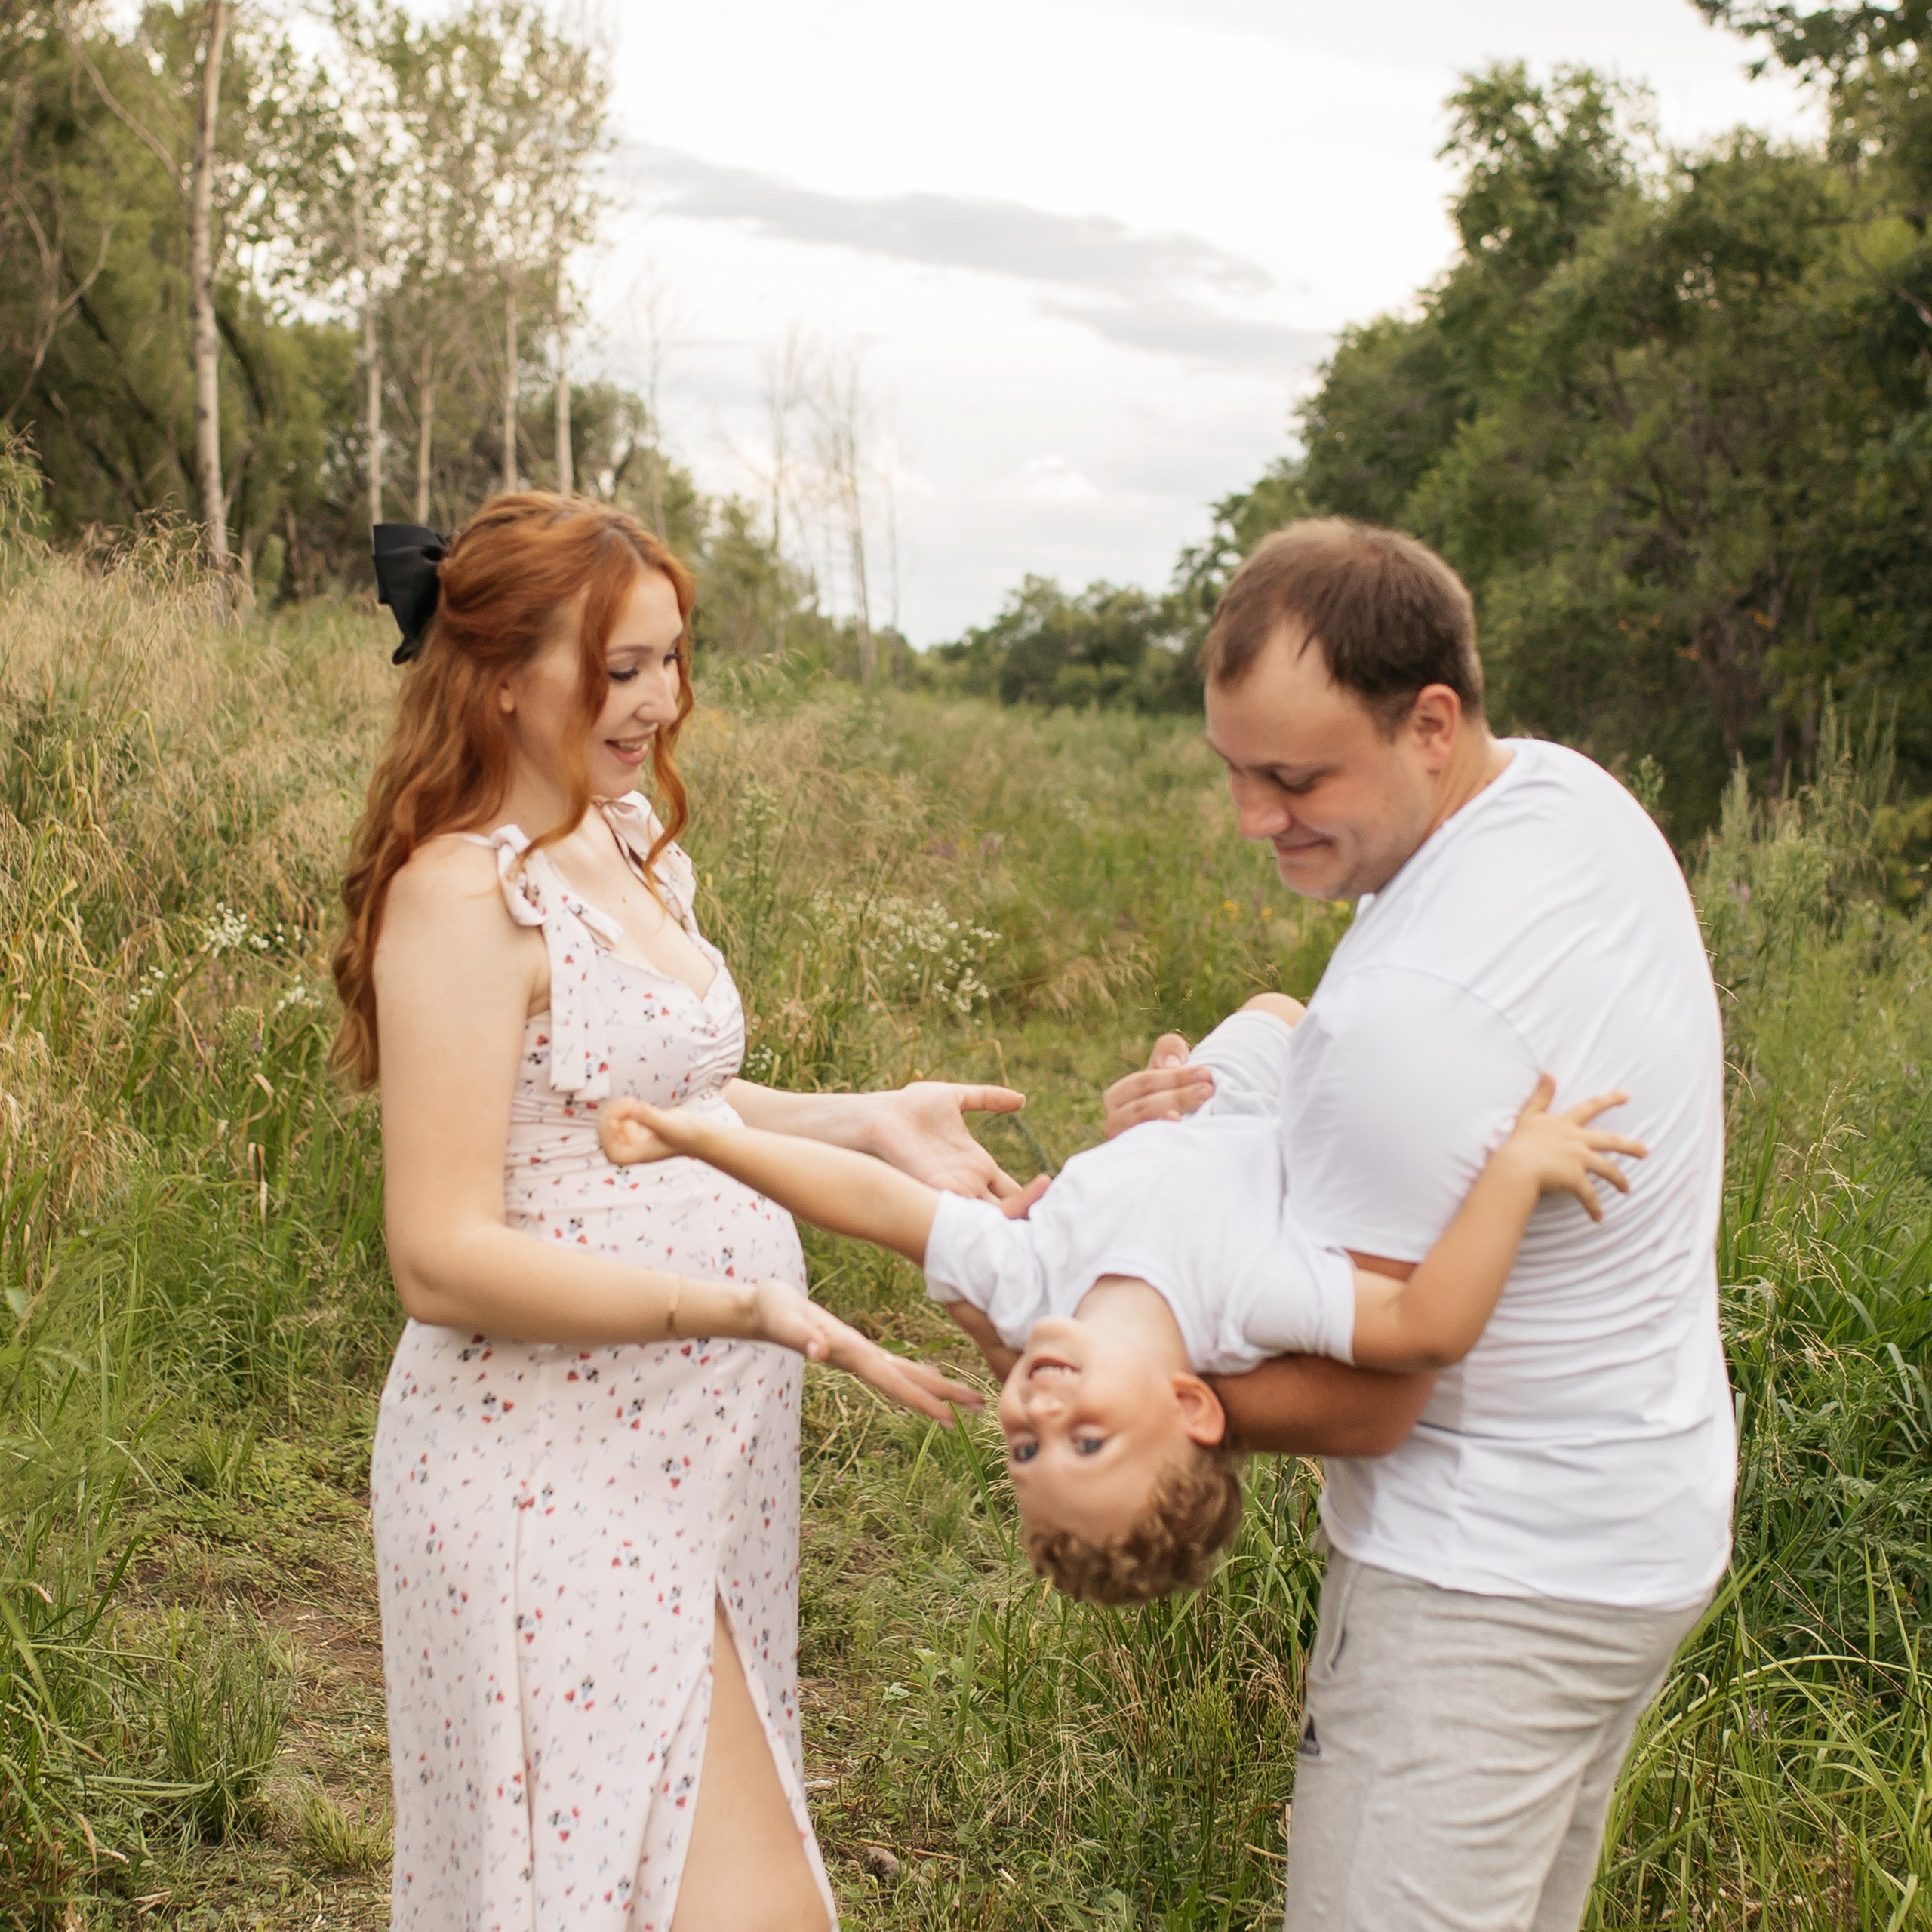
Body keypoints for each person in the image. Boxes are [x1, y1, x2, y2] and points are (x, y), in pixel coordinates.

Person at [335, 497, 1025, 1932]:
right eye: (623, 667)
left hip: (692, 1462)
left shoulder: (624, 842)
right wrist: (743, 1307)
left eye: (671, 660)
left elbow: (672, 1101)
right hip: (539, 1474)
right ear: (503, 673)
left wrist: (868, 1117)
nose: (662, 700)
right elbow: (438, 1257)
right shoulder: (463, 898)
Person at [1103, 518, 1736, 1932]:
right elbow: (1329, 1052)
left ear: (1430, 721)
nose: (1255, 818)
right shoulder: (1565, 802)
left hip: (1483, 1588)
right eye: (1234, 772)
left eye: (1296, 776)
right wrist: (1217, 1093)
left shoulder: (1418, 1014)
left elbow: (1369, 1399)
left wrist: (1113, 1377)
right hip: (1639, 1515)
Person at [598, 994, 1645, 1605]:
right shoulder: (1248, 1301)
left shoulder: (1020, 1285)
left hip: (1205, 1108)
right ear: (1195, 1406)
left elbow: (874, 1200)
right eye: (1088, 1444)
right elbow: (1426, 1329)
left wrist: (708, 1139)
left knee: (1269, 1010)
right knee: (1327, 1018)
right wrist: (1514, 1173)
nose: (1038, 1418)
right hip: (1291, 1125)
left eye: (1023, 1453)